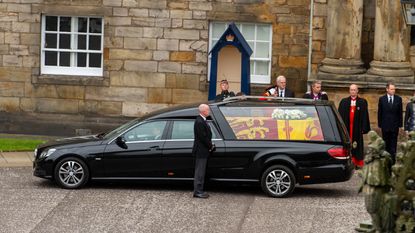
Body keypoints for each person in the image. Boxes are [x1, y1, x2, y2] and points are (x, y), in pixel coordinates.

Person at [338, 84, 371, 168]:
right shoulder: (344, 102)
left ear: (357, 91)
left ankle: (357, 162)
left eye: (354, 90)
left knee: (357, 144)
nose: (353, 91)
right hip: (347, 127)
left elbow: (365, 116)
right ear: (349, 91)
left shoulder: (362, 102)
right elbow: (339, 116)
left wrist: (364, 128)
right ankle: (347, 161)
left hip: (357, 128)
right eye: (351, 90)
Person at [192, 104, 215, 198]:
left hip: (203, 150)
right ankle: (197, 191)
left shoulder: (202, 120)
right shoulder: (199, 122)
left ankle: (200, 190)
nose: (209, 111)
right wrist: (210, 146)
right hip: (201, 150)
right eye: (208, 110)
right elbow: (203, 137)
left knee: (201, 171)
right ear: (203, 111)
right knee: (199, 172)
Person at [378, 82, 402, 163]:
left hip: (394, 126)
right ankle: (385, 160)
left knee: (393, 145)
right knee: (385, 144)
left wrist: (400, 124)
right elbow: (380, 112)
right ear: (387, 89)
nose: (393, 91)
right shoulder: (382, 99)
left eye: (394, 89)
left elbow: (400, 113)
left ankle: (392, 161)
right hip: (385, 126)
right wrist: (380, 124)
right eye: (392, 89)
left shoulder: (398, 99)